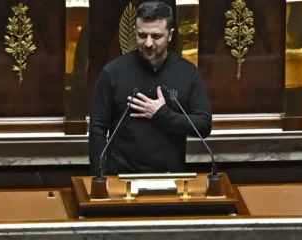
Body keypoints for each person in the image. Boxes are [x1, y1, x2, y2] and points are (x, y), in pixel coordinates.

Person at [89, 0, 212, 175]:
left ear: (170, 35)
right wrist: (99, 175)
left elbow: (204, 125)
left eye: (156, 36)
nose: (147, 43)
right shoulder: (113, 72)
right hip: (121, 177)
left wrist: (163, 114)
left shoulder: (187, 72)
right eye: (141, 35)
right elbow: (98, 128)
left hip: (171, 177)